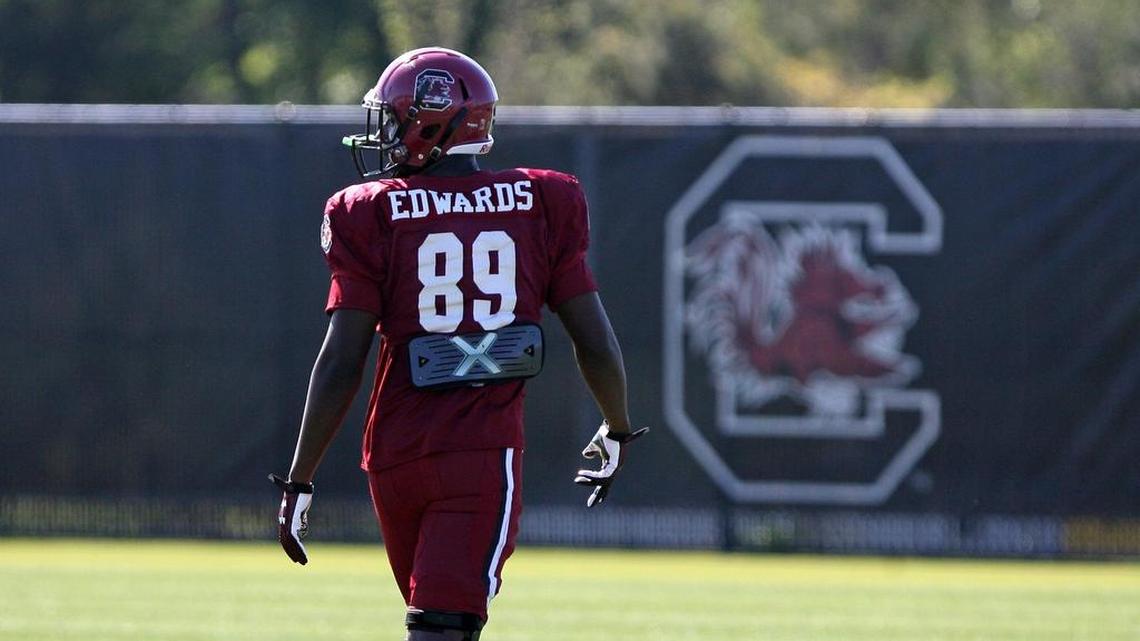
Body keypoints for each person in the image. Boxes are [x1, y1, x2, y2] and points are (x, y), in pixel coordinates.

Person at [270, 47, 648, 641]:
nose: (384, 135)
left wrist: (300, 478)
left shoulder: (368, 211)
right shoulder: (542, 201)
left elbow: (342, 360)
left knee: (435, 625)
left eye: (392, 120)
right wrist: (618, 426)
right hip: (478, 455)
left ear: (431, 124)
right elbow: (594, 341)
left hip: (392, 458)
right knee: (443, 630)